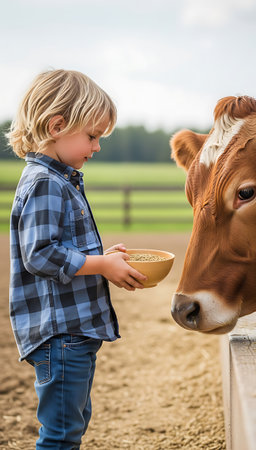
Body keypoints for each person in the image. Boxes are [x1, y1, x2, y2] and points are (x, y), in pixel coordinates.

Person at [7, 69, 147, 449]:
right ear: (57, 125)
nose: (97, 146)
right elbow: (39, 254)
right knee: (61, 433)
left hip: (71, 332)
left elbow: (57, 248)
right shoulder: (45, 183)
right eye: (92, 136)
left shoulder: (57, 179)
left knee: (73, 422)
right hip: (61, 335)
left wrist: (101, 258)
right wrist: (101, 266)